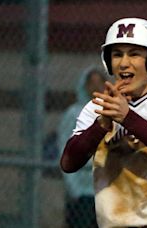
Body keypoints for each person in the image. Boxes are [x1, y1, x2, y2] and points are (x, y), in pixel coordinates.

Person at [60, 17, 147, 228]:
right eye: (117, 54)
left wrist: (128, 118)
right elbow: (69, 163)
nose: (124, 62)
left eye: (134, 54)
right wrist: (101, 125)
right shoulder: (97, 107)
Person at [57, 66, 106, 228]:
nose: (97, 87)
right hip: (82, 193)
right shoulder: (74, 114)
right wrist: (74, 189)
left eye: (100, 83)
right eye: (92, 83)